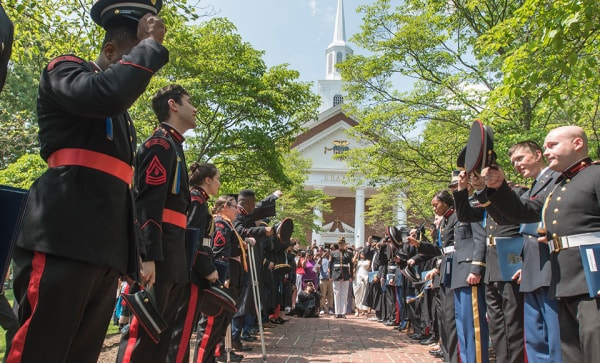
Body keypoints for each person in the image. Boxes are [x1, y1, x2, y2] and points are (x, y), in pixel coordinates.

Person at [6, 1, 168, 361]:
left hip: (106, 247)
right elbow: (106, 93)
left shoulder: (122, 117)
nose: (136, 74)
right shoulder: (64, 69)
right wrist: (149, 47)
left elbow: (126, 189)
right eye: (131, 58)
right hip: (63, 234)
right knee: (40, 349)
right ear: (110, 51)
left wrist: (133, 253)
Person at [481, 126, 600, 362]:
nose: (546, 151)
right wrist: (499, 187)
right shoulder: (559, 186)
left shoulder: (595, 175)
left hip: (591, 278)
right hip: (563, 278)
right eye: (545, 146)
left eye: (552, 145)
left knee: (594, 346)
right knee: (570, 351)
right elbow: (525, 212)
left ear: (577, 144)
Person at [116, 84, 198, 362]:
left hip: (173, 250)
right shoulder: (160, 144)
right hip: (159, 251)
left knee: (161, 337)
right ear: (173, 105)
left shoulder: (173, 145)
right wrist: (148, 255)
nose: (195, 108)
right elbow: (147, 204)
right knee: (142, 334)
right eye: (190, 102)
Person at [477, 140, 562, 363]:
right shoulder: (535, 186)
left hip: (551, 266)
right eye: (513, 161)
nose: (516, 165)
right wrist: (486, 188)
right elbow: (509, 216)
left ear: (536, 155)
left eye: (521, 158)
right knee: (536, 338)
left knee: (552, 337)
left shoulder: (556, 179)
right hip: (531, 265)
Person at [195, 195, 244, 363]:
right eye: (234, 206)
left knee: (221, 322)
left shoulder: (228, 224)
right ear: (224, 207)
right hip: (223, 278)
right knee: (212, 321)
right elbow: (219, 252)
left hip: (231, 277)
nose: (237, 210)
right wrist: (225, 276)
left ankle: (214, 354)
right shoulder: (221, 223)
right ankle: (203, 358)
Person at [423, 190, 459, 363]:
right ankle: (447, 352)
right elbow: (441, 250)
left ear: (446, 203)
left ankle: (452, 354)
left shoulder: (455, 217)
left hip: (454, 268)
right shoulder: (445, 221)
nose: (434, 209)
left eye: (436, 205)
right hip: (445, 267)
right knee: (444, 314)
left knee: (450, 314)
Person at [329, 237, 354, 318]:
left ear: (344, 244)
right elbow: (330, 265)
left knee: (344, 294)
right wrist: (330, 276)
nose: (341, 245)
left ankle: (343, 313)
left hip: (346, 275)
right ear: (338, 244)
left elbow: (351, 265)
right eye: (340, 244)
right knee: (337, 293)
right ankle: (337, 312)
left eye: (343, 244)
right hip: (336, 275)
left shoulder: (349, 253)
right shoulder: (333, 253)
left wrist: (351, 276)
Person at [353, 250, 370, 316]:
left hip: (365, 277)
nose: (362, 254)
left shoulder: (368, 261)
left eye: (363, 253)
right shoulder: (357, 261)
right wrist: (356, 253)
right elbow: (353, 261)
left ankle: (365, 310)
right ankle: (357, 309)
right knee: (357, 294)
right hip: (357, 278)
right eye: (361, 253)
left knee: (364, 294)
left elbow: (368, 267)